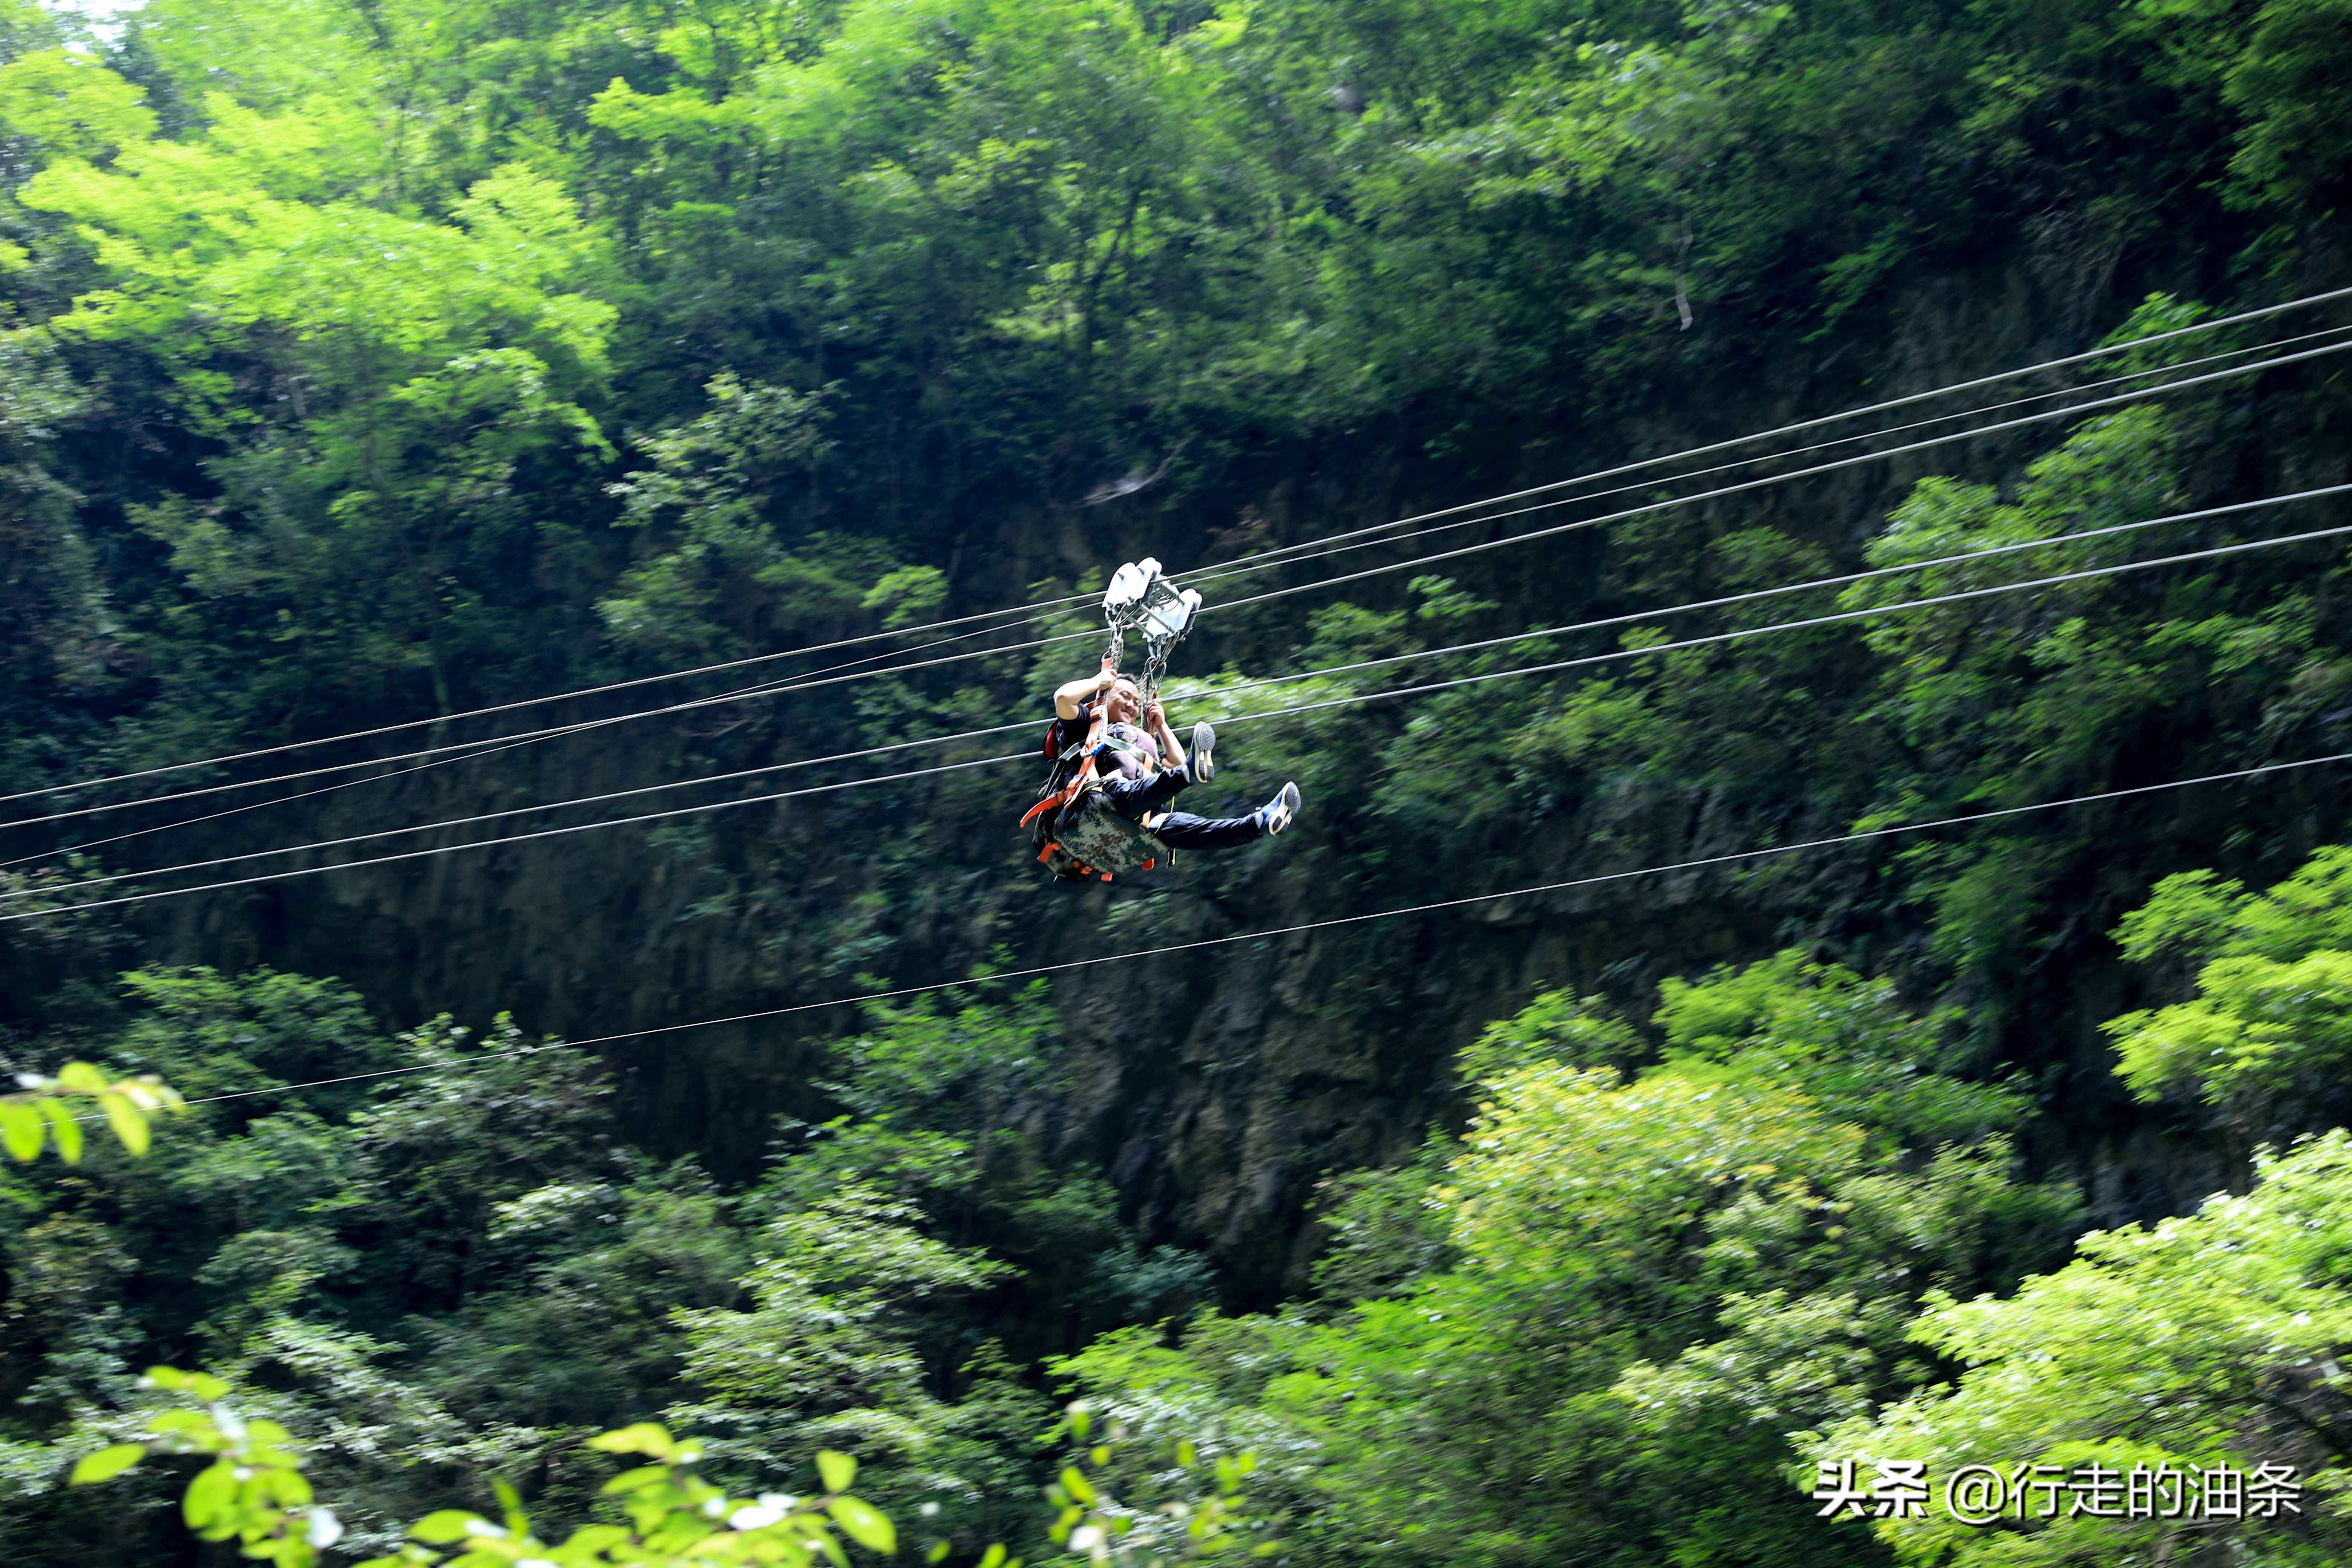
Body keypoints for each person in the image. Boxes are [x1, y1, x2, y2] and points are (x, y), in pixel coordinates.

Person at [1047, 657, 1301, 851]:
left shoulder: (1139, 744)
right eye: (1124, 696)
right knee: (1163, 782)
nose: (1132, 705)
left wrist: (1161, 726)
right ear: (1105, 698)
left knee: (1199, 830)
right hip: (1105, 802)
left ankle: (1261, 822)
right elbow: (1063, 698)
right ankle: (1189, 776)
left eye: (1137, 703)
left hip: (1140, 819)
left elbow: (1175, 762)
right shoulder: (1088, 725)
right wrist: (1098, 682)